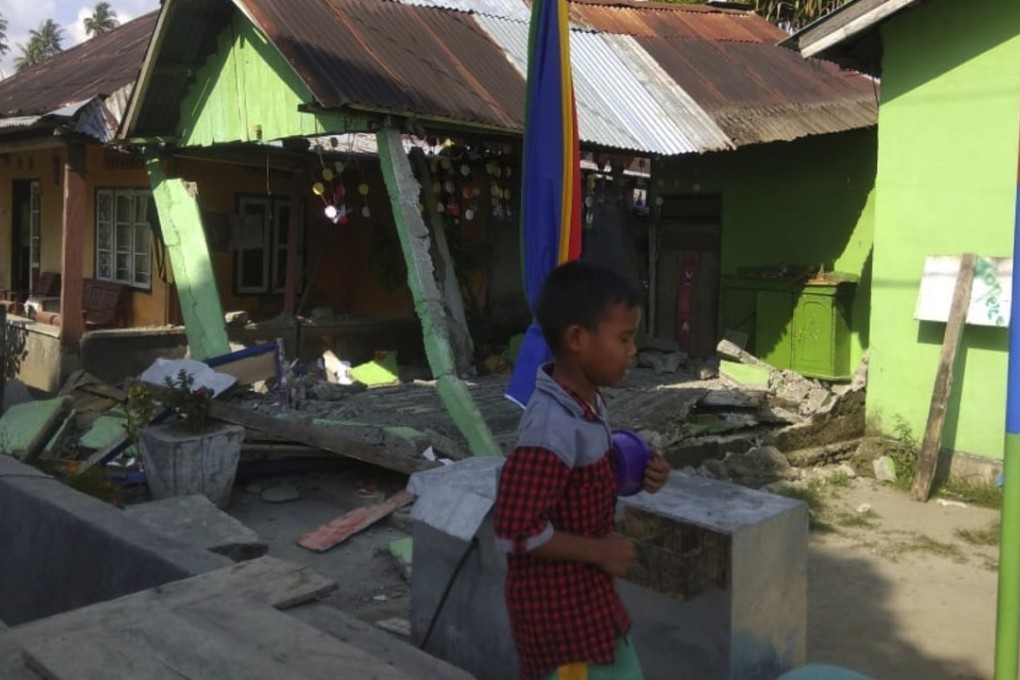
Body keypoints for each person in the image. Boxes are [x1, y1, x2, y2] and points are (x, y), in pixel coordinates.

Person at [494, 260, 672, 680]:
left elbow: (585, 479)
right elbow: (514, 529)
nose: (632, 351)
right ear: (577, 338)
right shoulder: (550, 427)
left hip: (588, 600)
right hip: (556, 615)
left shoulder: (588, 404)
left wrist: (642, 472)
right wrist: (599, 550)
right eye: (624, 339)